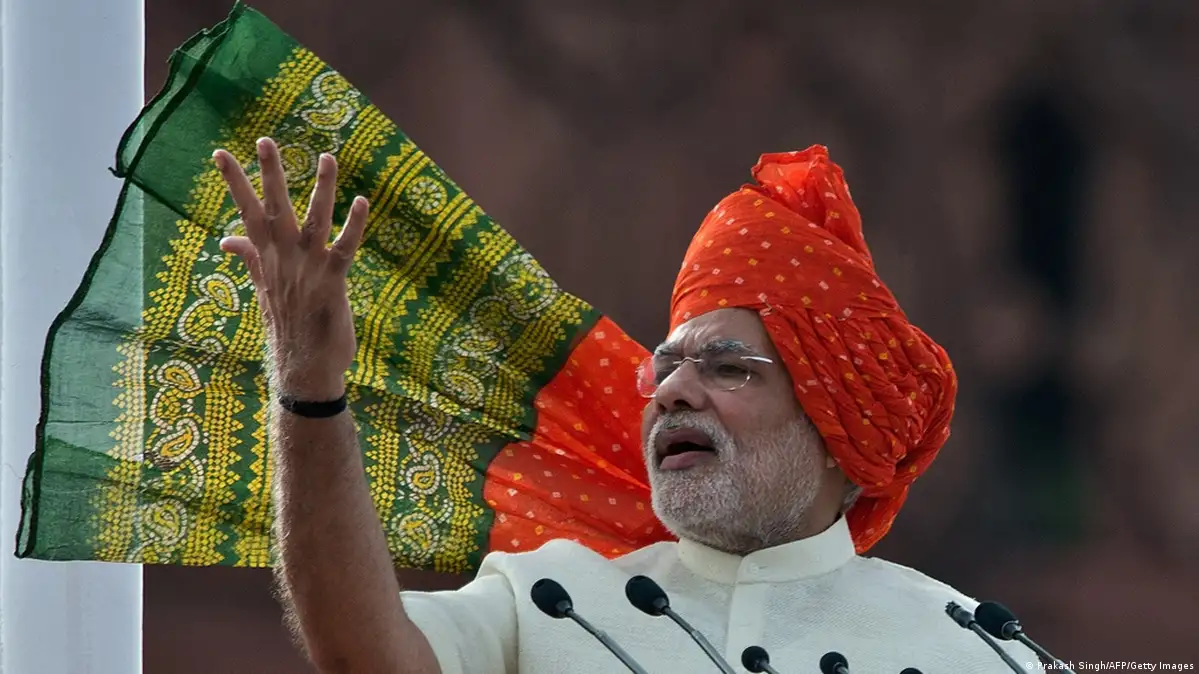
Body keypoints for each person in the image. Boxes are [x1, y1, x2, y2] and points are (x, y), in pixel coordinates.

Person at [213, 137, 1036, 673]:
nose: (672, 390)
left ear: (834, 427)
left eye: (727, 368)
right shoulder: (553, 600)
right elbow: (367, 655)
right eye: (665, 367)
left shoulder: (969, 645)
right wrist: (309, 388)